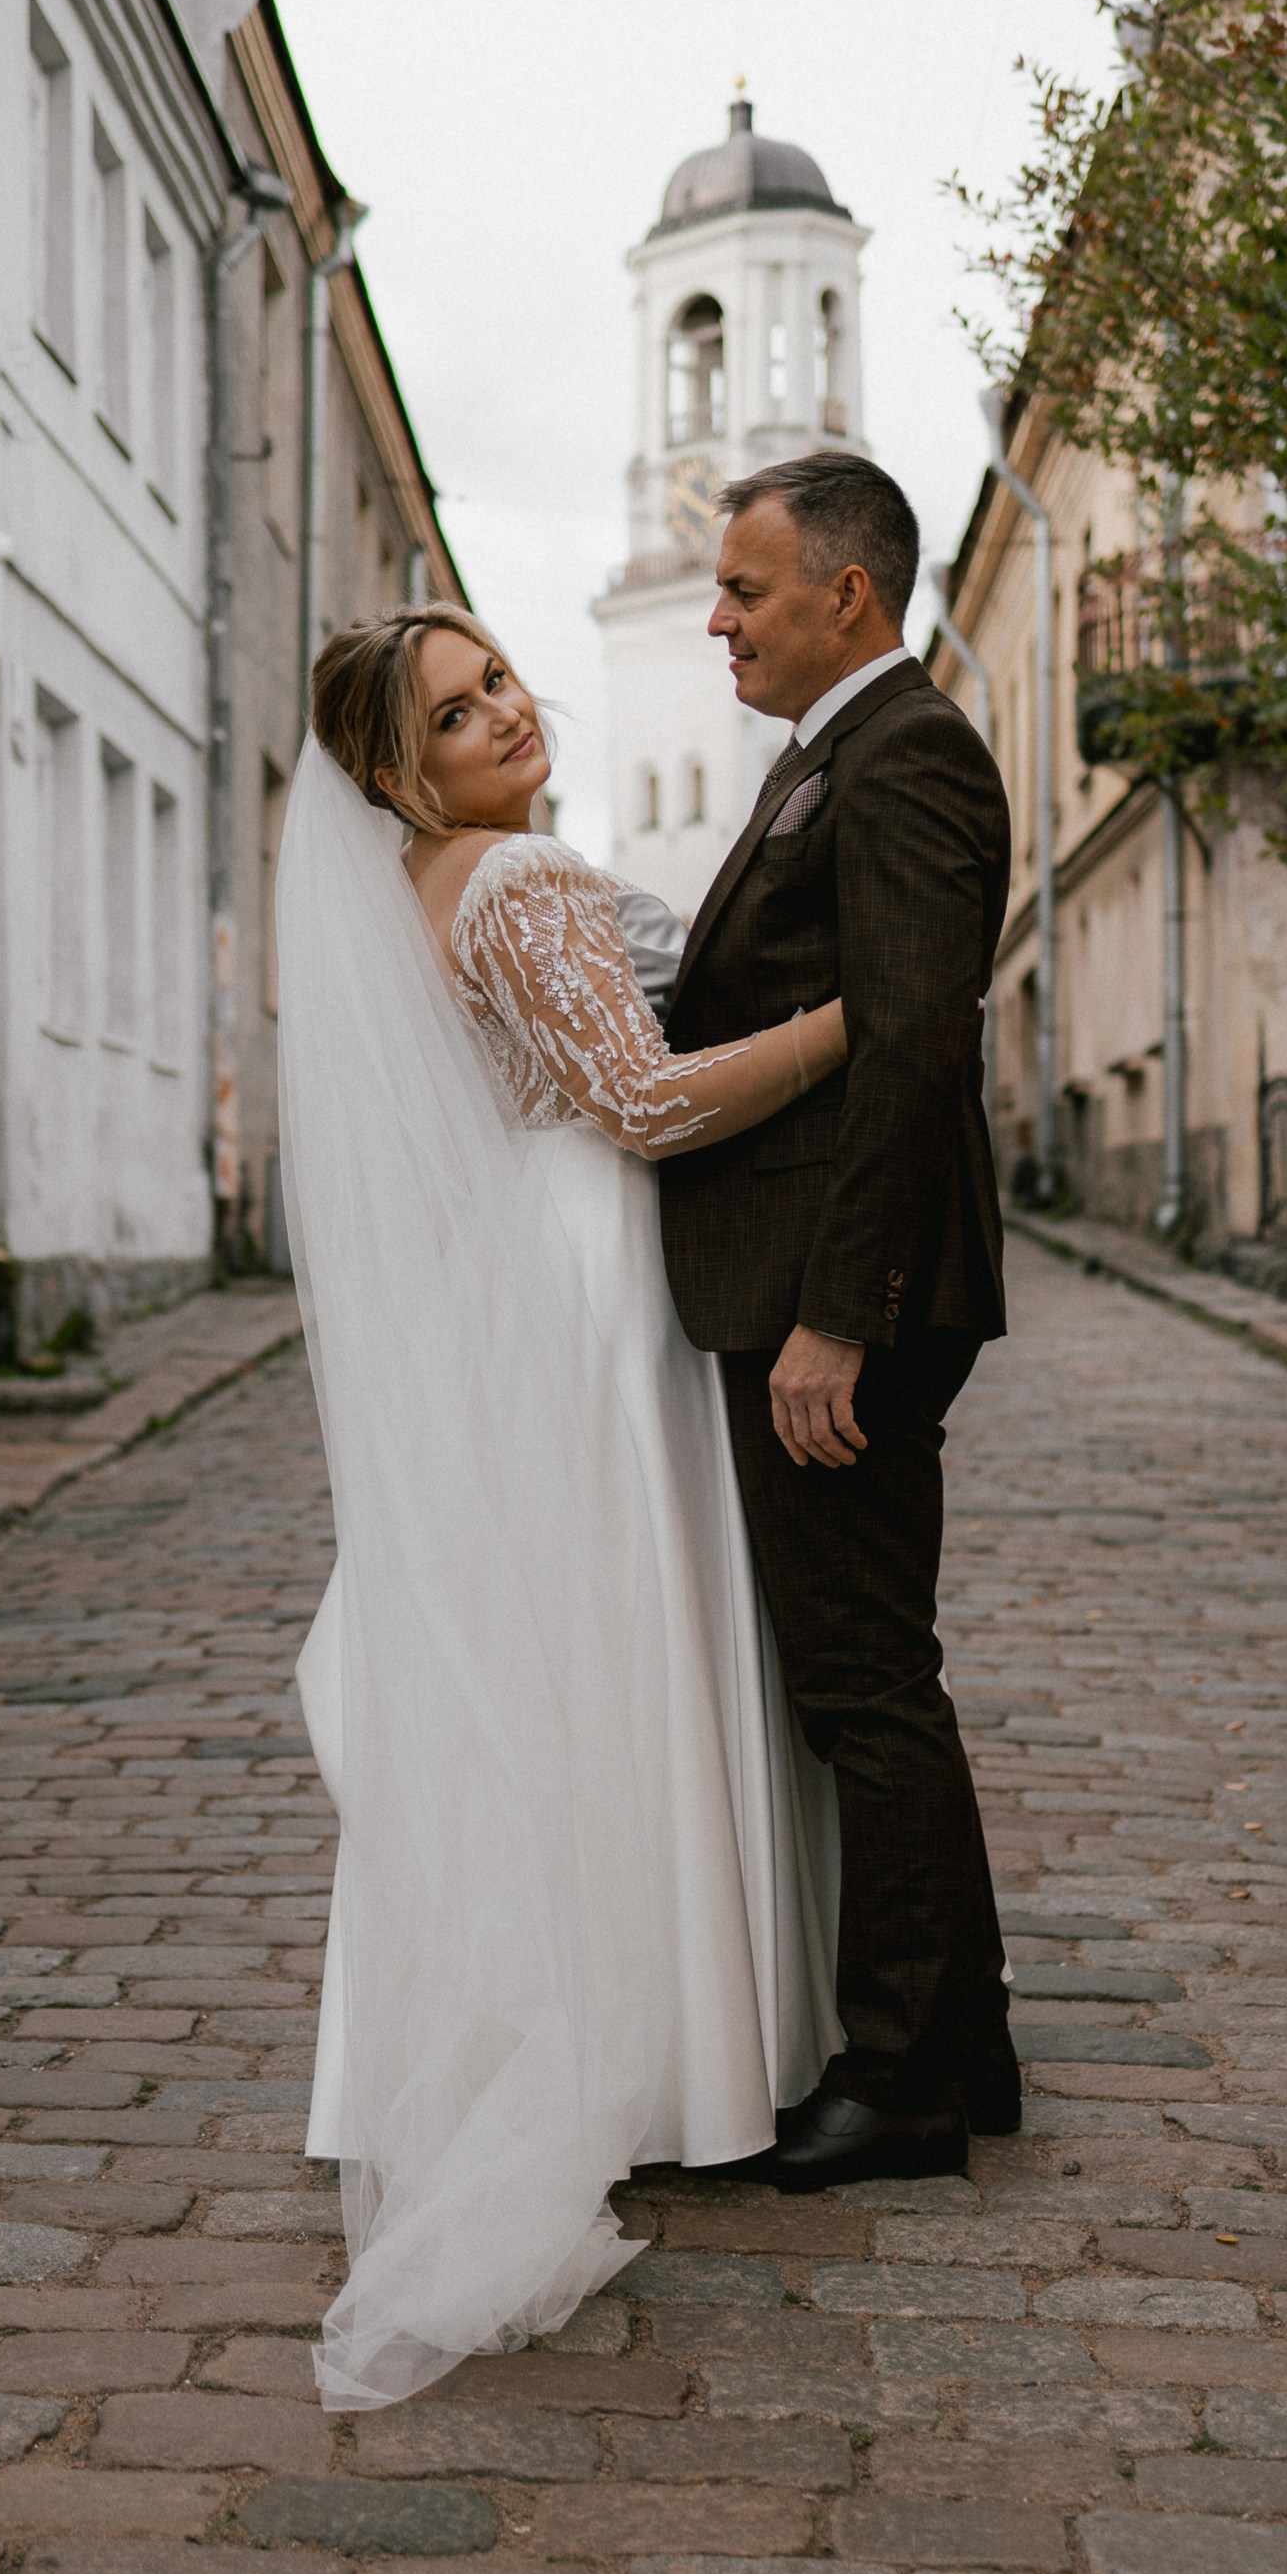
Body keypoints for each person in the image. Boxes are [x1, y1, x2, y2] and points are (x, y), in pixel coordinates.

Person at [279, 605, 847, 2410]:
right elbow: (644, 1102)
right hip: (594, 1263)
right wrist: (853, 1025)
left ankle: (465, 2050)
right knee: (625, 1637)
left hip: (515, 1263)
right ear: (396, 772)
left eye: (500, 679)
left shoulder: (414, 896)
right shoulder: (519, 885)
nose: (506, 715)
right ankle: (667, 2055)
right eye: (457, 714)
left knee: (538, 1659)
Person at [661, 452, 1017, 2192]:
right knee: (870, 1678)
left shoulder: (909, 755)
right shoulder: (834, 756)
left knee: (865, 1686)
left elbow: (910, 1048)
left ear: (845, 597)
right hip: (814, 1285)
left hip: (842, 1299)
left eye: (743, 589)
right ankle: (968, 2045)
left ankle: (905, 2083)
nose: (717, 618)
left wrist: (841, 1321)